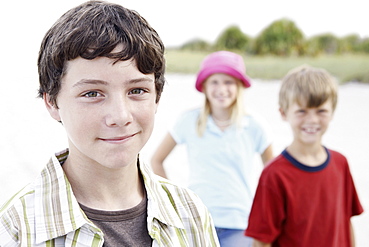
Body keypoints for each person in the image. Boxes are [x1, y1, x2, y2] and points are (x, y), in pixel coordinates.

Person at [0, 1, 220, 246]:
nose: (120, 116)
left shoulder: (191, 214)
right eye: (92, 93)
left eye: (137, 90)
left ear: (157, 96)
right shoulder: (16, 228)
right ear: (52, 102)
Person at [151, 51, 274, 247]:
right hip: (197, 220)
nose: (221, 89)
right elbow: (157, 160)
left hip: (239, 223)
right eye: (214, 82)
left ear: (239, 86)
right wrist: (174, 203)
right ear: (205, 86)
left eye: (228, 82)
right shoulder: (189, 120)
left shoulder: (254, 125)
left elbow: (273, 175)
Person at [245, 65, 364, 247]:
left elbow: (346, 222)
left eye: (321, 111)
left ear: (332, 112)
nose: (312, 120)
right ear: (284, 113)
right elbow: (261, 241)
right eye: (301, 111)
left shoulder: (341, 164)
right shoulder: (274, 175)